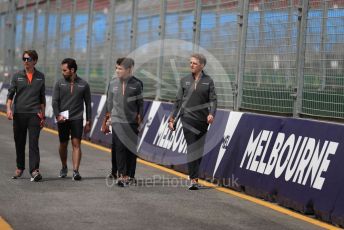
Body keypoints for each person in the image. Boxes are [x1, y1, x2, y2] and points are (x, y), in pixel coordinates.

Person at [168, 53, 217, 190]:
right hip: (187, 119)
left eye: (194, 63)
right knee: (192, 147)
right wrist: (172, 118)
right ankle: (193, 179)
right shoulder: (184, 80)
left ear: (202, 65)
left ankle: (194, 176)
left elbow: (213, 100)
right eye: (190, 62)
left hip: (202, 121)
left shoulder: (208, 81)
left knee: (198, 150)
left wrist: (211, 114)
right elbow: (178, 101)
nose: (191, 65)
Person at [103, 57, 143, 187]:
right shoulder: (112, 83)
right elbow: (109, 103)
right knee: (119, 147)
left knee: (130, 149)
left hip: (131, 121)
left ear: (129, 69)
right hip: (117, 120)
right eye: (116, 68)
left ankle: (131, 175)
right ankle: (122, 175)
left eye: (120, 68)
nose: (117, 71)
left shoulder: (137, 84)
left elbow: (140, 104)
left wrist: (140, 118)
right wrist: (106, 121)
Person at [7, 50, 46, 182]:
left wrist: (43, 115)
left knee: (33, 143)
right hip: (19, 114)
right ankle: (20, 167)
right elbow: (10, 94)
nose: (25, 61)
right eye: (24, 59)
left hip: (34, 114)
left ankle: (34, 170)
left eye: (28, 59)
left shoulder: (41, 76)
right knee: (19, 142)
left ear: (35, 61)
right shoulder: (17, 76)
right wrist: (8, 109)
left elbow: (42, 97)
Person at [52, 58, 92, 181]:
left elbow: (88, 103)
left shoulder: (84, 84)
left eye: (64, 70)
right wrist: (58, 115)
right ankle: (64, 167)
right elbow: (55, 101)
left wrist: (88, 121)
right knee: (63, 144)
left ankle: (75, 171)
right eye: (62, 70)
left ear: (72, 70)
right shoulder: (59, 83)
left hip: (77, 118)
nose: (62, 72)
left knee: (76, 144)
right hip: (63, 118)